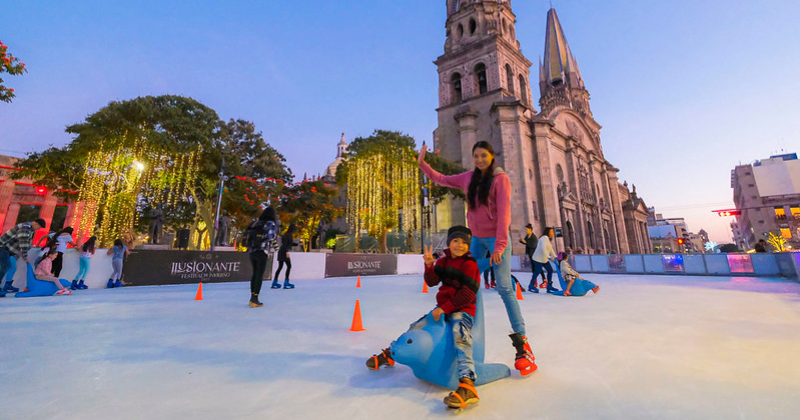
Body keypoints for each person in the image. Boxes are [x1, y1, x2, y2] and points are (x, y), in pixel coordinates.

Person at [419, 141, 535, 375]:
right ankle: (463, 335)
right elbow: (442, 179)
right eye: (476, 156)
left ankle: (523, 344)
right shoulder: (468, 178)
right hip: (475, 241)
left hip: (495, 240)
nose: (480, 159)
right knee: (467, 285)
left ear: (492, 157)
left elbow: (504, 214)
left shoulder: (500, 179)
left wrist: (500, 246)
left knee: (504, 287)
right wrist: (422, 164)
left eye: (484, 155)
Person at [366, 226, 481, 409]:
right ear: (449, 242)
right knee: (416, 327)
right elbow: (432, 282)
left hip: (463, 309)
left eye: (464, 243)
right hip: (442, 309)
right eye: (456, 241)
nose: (460, 246)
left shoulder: (470, 264)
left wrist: (445, 308)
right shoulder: (443, 262)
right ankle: (391, 354)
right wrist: (429, 265)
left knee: (461, 338)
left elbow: (468, 293)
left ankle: (467, 384)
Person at [0, 218, 47, 296]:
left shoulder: (29, 229)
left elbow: (24, 242)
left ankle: (7, 285)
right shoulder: (26, 227)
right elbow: (23, 241)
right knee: (5, 266)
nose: (38, 229)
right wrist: (25, 255)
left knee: (12, 267)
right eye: (39, 227)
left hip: (10, 250)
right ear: (36, 224)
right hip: (2, 247)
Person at [245, 207, 278, 308]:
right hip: (262, 251)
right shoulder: (270, 223)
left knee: (255, 273)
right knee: (259, 274)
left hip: (252, 251)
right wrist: (276, 248)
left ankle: (252, 297)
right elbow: (271, 236)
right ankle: (255, 299)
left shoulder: (256, 222)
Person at [530, 227, 559, 293]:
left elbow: (550, 249)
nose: (552, 233)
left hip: (544, 259)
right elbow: (543, 248)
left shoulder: (548, 240)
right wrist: (549, 257)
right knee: (537, 271)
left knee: (550, 270)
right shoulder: (544, 238)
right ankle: (531, 286)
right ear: (547, 232)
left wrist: (555, 257)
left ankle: (549, 286)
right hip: (538, 259)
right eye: (551, 231)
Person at [519, 223, 545, 294]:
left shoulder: (533, 237)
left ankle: (544, 279)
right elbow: (526, 242)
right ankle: (535, 280)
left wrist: (525, 242)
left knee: (537, 267)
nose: (526, 231)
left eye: (527, 229)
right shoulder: (528, 236)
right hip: (531, 254)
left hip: (535, 254)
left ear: (530, 229)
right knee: (534, 268)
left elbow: (533, 245)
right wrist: (521, 241)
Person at [273, 224, 298, 289]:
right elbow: (285, 244)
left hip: (281, 251)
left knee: (280, 267)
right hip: (284, 251)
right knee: (289, 266)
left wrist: (296, 244)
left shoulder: (286, 235)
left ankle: (275, 281)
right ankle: (286, 282)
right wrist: (287, 251)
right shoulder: (289, 235)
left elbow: (287, 243)